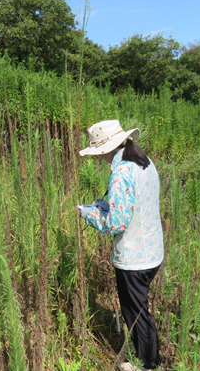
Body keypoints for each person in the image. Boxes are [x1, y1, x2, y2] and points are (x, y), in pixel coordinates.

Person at [78, 119, 164, 371]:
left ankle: (148, 364)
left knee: (137, 314)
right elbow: (134, 206)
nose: (97, 158)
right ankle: (148, 358)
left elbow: (115, 224)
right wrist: (107, 207)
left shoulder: (121, 174)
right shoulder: (144, 162)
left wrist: (89, 214)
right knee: (140, 308)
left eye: (97, 152)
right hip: (152, 251)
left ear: (106, 149)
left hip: (134, 258)